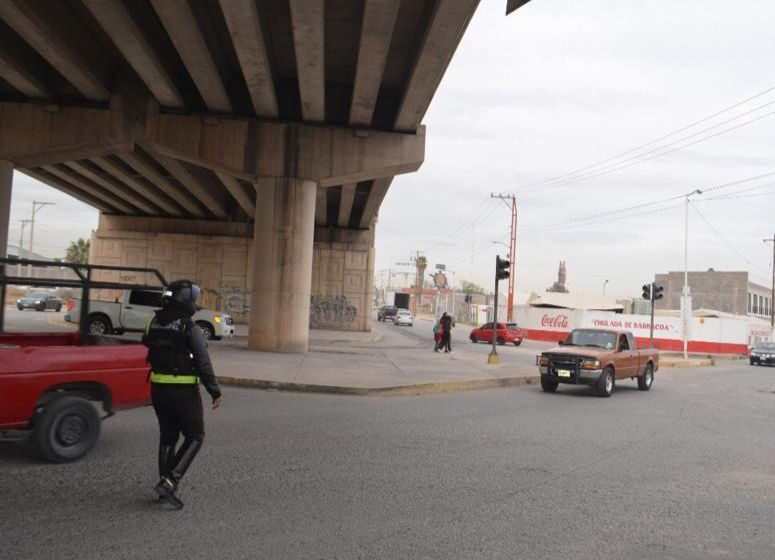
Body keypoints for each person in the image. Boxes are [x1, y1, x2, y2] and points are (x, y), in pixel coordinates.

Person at [142, 280, 223, 509]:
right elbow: (203, 362)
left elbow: (147, 344)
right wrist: (214, 390)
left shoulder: (153, 323)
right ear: (186, 301)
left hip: (158, 389)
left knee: (168, 437)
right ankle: (170, 481)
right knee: (195, 435)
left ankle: (164, 483)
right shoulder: (190, 327)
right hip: (184, 391)